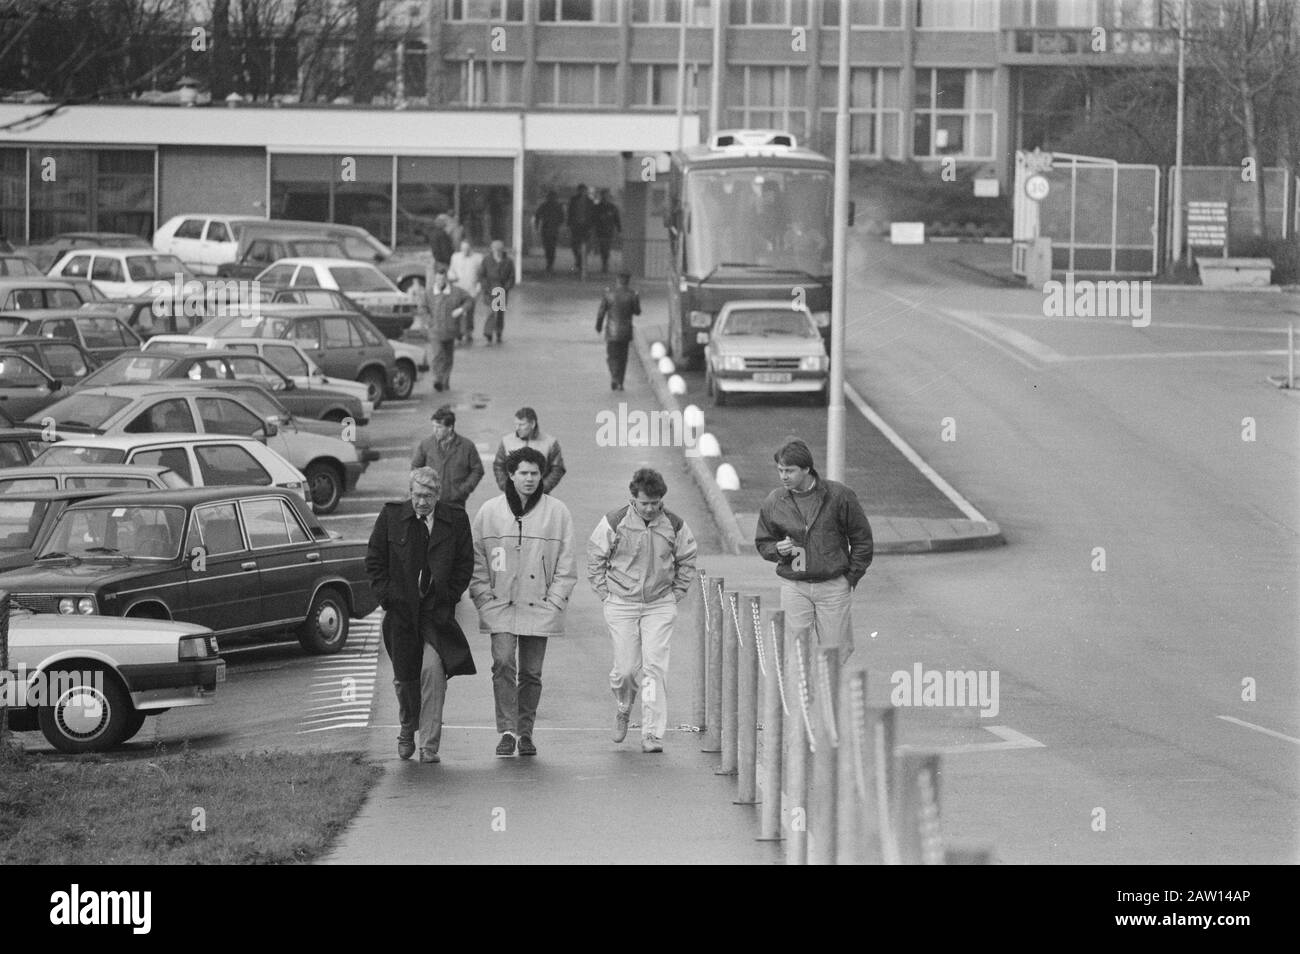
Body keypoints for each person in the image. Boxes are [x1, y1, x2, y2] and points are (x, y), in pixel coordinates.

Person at [470, 447, 576, 758]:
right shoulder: (489, 512)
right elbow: (476, 560)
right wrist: (483, 597)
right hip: (499, 605)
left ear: (541, 475)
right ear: (511, 475)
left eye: (534, 473)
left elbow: (567, 565)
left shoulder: (558, 512)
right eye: (523, 473)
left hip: (539, 605)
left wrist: (554, 602)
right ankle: (507, 730)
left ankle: (525, 731)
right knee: (503, 663)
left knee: (531, 672)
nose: (529, 479)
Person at [366, 467, 476, 763]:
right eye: (417, 495)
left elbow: (465, 563)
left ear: (437, 495)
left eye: (428, 496)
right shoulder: (391, 518)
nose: (422, 502)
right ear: (410, 493)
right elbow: (374, 562)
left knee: (432, 672)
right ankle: (406, 727)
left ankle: (429, 744)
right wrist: (388, 597)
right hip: (401, 614)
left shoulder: (454, 519)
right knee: (405, 680)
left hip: (436, 616)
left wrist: (449, 595)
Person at [586, 468, 698, 754]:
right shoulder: (614, 521)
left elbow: (687, 558)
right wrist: (605, 593)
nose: (650, 508)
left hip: (659, 604)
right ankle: (624, 706)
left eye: (656, 502)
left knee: (653, 669)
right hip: (621, 602)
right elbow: (595, 556)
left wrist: (676, 593)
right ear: (633, 498)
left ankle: (651, 733)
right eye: (645, 502)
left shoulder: (674, 523)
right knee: (625, 671)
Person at [754, 439, 873, 660]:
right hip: (795, 586)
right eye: (780, 470)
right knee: (796, 652)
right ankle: (801, 695)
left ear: (807, 469)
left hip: (833, 587)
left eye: (789, 471)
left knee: (835, 655)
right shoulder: (775, 500)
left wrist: (850, 577)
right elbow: (763, 542)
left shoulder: (839, 496)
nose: (783, 476)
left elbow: (862, 540)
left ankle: (829, 694)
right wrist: (777, 549)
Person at [411, 405, 484, 509]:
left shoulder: (467, 446)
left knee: (455, 525)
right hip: (430, 501)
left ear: (450, 428)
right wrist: (423, 488)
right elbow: (415, 468)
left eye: (439, 427)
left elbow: (477, 470)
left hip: (456, 502)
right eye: (433, 426)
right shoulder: (426, 444)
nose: (435, 430)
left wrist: (463, 490)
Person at [492, 406, 566, 494]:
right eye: (516, 424)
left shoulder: (550, 443)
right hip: (512, 497)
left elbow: (558, 469)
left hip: (541, 496)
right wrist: (506, 486)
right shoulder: (506, 441)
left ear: (532, 424)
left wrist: (542, 488)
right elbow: (498, 465)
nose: (517, 428)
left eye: (521, 424)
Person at [424, 264, 471, 391]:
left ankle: (445, 381)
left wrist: (461, 310)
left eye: (443, 279)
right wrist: (428, 319)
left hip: (450, 330)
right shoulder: (429, 293)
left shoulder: (456, 292)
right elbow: (423, 307)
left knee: (448, 357)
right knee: (438, 354)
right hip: (435, 331)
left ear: (446, 279)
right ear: (435, 279)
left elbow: (469, 300)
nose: (440, 282)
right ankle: (438, 379)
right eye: (438, 279)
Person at [595, 271, 640, 391]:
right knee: (623, 357)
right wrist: (636, 298)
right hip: (626, 332)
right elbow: (637, 312)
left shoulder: (609, 294)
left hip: (611, 332)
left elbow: (601, 313)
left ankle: (614, 377)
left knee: (612, 356)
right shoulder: (632, 294)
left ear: (617, 281)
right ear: (628, 281)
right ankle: (620, 381)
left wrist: (598, 327)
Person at [477, 239, 515, 344]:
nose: (497, 251)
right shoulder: (487, 260)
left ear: (502, 250)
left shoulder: (508, 261)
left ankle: (499, 332)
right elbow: (481, 275)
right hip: (489, 289)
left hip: (502, 290)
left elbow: (511, 277)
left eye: (499, 249)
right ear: (492, 249)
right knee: (491, 311)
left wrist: (506, 288)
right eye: (495, 249)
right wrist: (485, 287)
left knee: (500, 313)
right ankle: (488, 333)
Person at [447, 240, 483, 344]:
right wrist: (451, 276)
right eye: (463, 249)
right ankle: (458, 332)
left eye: (467, 249)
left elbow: (481, 273)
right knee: (458, 311)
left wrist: (479, 286)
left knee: (469, 312)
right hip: (458, 288)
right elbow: (451, 270)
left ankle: (469, 332)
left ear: (471, 248)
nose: (465, 251)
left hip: (471, 290)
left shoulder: (478, 258)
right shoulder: (455, 257)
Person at [591, 188, 622, 274]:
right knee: (602, 248)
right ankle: (604, 263)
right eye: (604, 195)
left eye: (607, 195)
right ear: (602, 196)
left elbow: (617, 219)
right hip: (600, 231)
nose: (605, 197)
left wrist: (619, 229)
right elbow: (593, 219)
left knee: (606, 248)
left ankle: (605, 263)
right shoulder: (597, 207)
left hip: (609, 231)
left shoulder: (612, 207)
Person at [533, 191, 565, 273]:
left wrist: (559, 224)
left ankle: (550, 263)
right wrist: (537, 225)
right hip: (548, 228)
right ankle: (550, 263)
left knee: (550, 247)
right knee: (549, 247)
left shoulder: (556, 206)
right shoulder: (546, 206)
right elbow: (537, 215)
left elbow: (562, 217)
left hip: (551, 229)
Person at [567, 184, 594, 274]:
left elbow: (592, 215)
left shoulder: (590, 202)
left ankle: (582, 262)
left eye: (584, 190)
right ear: (578, 191)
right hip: (576, 226)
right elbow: (570, 212)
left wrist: (591, 225)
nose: (582, 192)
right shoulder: (573, 200)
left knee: (586, 245)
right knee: (575, 245)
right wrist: (569, 224)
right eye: (581, 190)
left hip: (586, 227)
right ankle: (578, 260)